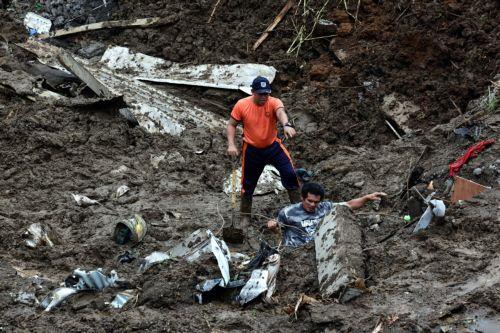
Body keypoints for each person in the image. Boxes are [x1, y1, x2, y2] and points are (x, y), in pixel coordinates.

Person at [227, 76, 301, 227]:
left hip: (273, 146)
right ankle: (245, 216)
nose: (263, 97)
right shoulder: (242, 105)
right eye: (260, 94)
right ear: (253, 92)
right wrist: (231, 144)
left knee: (290, 174)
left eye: (266, 93)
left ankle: (298, 211)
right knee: (247, 184)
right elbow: (231, 125)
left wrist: (286, 125)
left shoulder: (274, 102)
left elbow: (280, 112)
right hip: (252, 150)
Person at [267, 182, 387, 247]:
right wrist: (272, 226)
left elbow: (349, 205)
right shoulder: (288, 213)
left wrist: (367, 198)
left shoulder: (325, 207)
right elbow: (277, 230)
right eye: (310, 201)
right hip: (297, 251)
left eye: (316, 202)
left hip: (322, 247)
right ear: (302, 198)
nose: (313, 205)